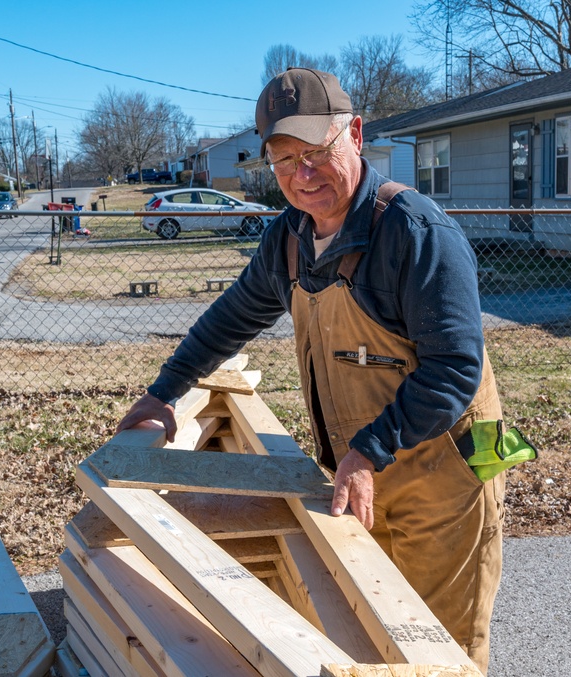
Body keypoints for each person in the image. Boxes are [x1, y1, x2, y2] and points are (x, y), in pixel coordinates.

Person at [117, 67, 505, 671]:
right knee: (368, 632)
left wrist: (370, 449)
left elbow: (454, 369)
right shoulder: (289, 239)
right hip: (361, 470)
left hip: (442, 473)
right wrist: (164, 393)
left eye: (318, 152)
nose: (303, 175)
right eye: (284, 160)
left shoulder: (415, 233)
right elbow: (231, 319)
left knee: (437, 646)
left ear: (353, 133)